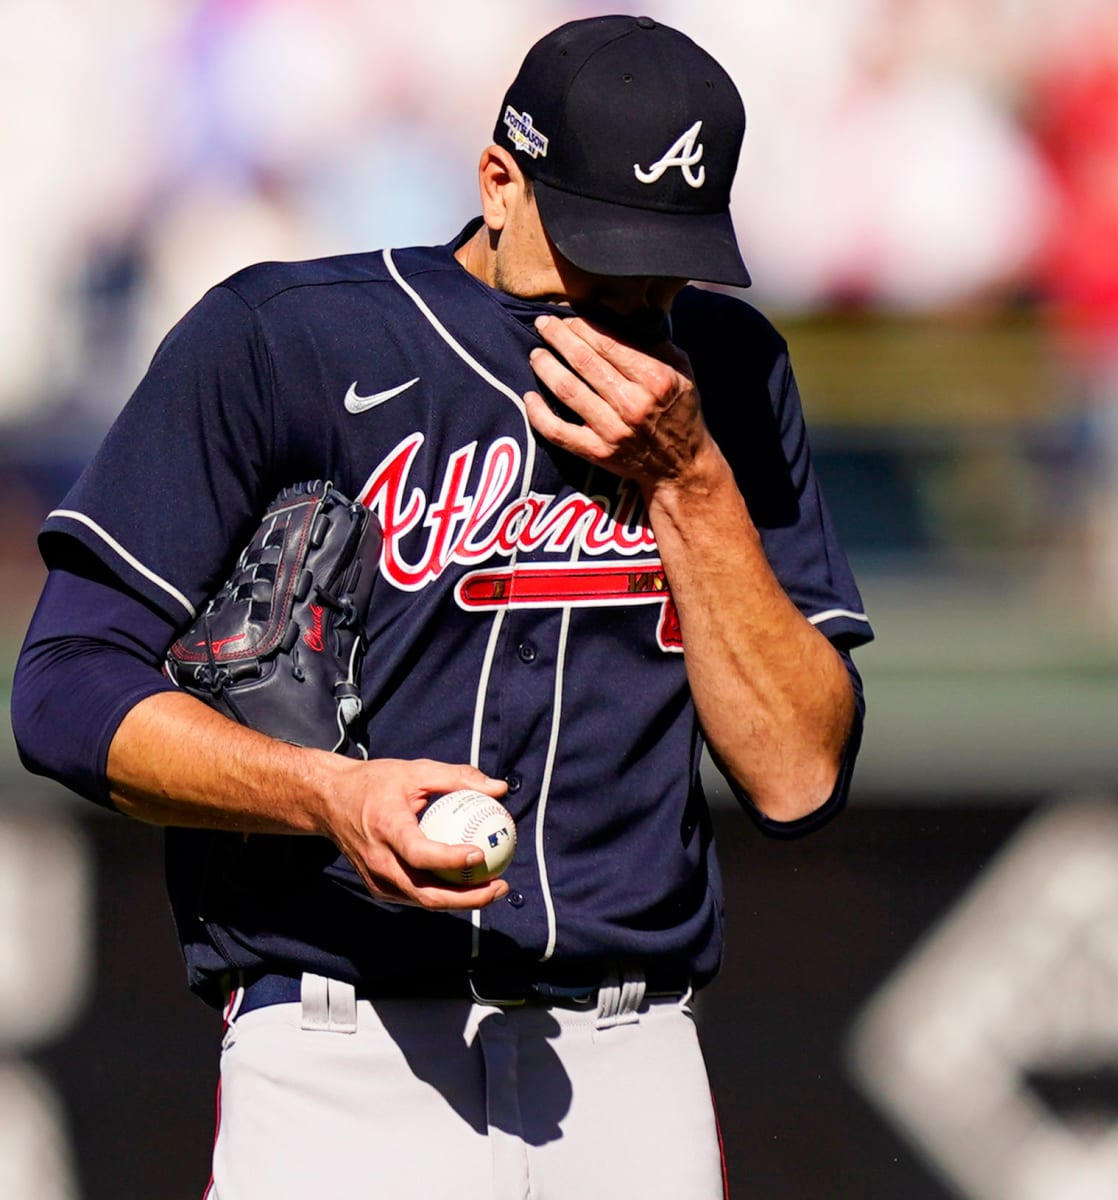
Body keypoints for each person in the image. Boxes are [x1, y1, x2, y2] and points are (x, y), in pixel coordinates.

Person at [12, 14, 871, 1200]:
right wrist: (324, 794)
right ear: (499, 182)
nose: (633, 290)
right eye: (598, 245)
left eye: (665, 253)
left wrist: (692, 480)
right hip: (340, 1053)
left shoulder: (725, 375)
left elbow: (797, 775)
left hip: (631, 1064)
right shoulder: (285, 340)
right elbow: (63, 687)